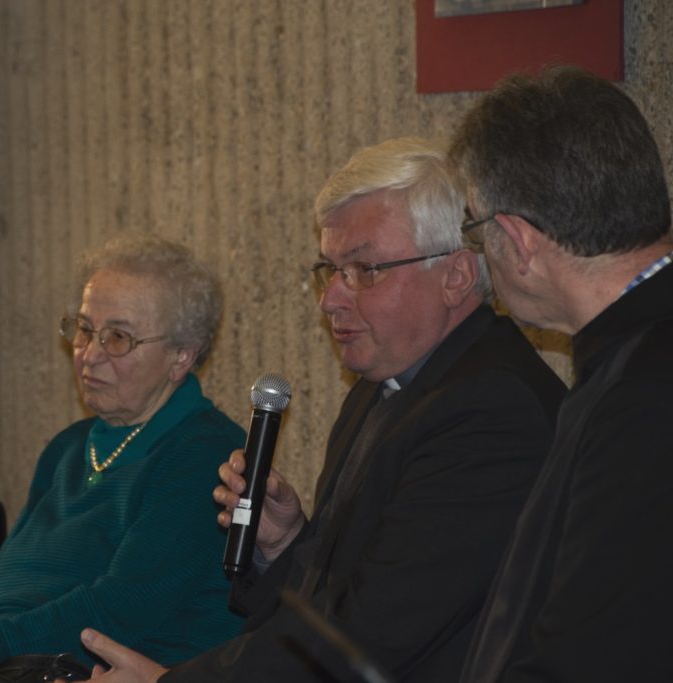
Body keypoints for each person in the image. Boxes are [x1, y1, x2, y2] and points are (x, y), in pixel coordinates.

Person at [69, 138, 567, 683]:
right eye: (330, 269)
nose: (330, 298)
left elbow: (370, 637)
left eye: (364, 270)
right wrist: (286, 544)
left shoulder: (491, 413)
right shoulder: (380, 388)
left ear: (456, 275)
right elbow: (338, 603)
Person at [0, 234, 245, 683]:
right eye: (83, 329)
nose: (89, 355)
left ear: (182, 356)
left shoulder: (207, 453)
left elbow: (122, 607)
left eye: (117, 337)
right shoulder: (68, 448)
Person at [449, 67, 673, 681]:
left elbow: (596, 655)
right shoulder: (635, 357)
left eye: (476, 230)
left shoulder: (642, 397)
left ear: (518, 242)